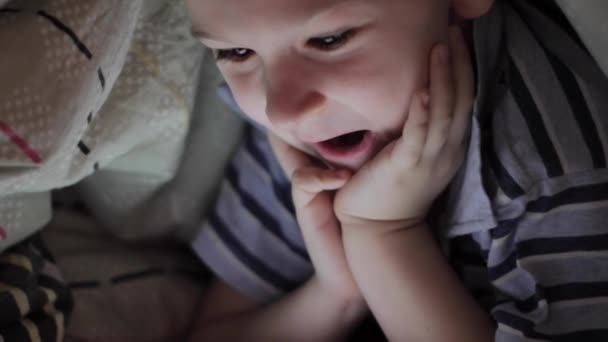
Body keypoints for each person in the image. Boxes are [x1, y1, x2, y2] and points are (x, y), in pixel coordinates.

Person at [187, 0, 608, 340]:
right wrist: (338, 294)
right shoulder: (305, 129)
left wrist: (382, 234)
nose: (281, 108)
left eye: (329, 39)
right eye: (236, 51)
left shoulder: (556, 176)